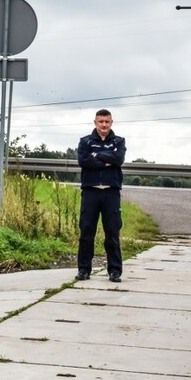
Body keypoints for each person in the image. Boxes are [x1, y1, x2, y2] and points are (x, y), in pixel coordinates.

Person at [76, 109, 126, 283]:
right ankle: (83, 270)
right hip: (90, 192)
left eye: (107, 121)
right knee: (86, 231)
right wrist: (107, 160)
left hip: (111, 193)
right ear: (95, 122)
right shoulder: (85, 141)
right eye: (100, 121)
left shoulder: (119, 141)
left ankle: (114, 271)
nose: (104, 125)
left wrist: (97, 155)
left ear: (111, 122)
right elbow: (83, 160)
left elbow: (118, 159)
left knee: (112, 232)